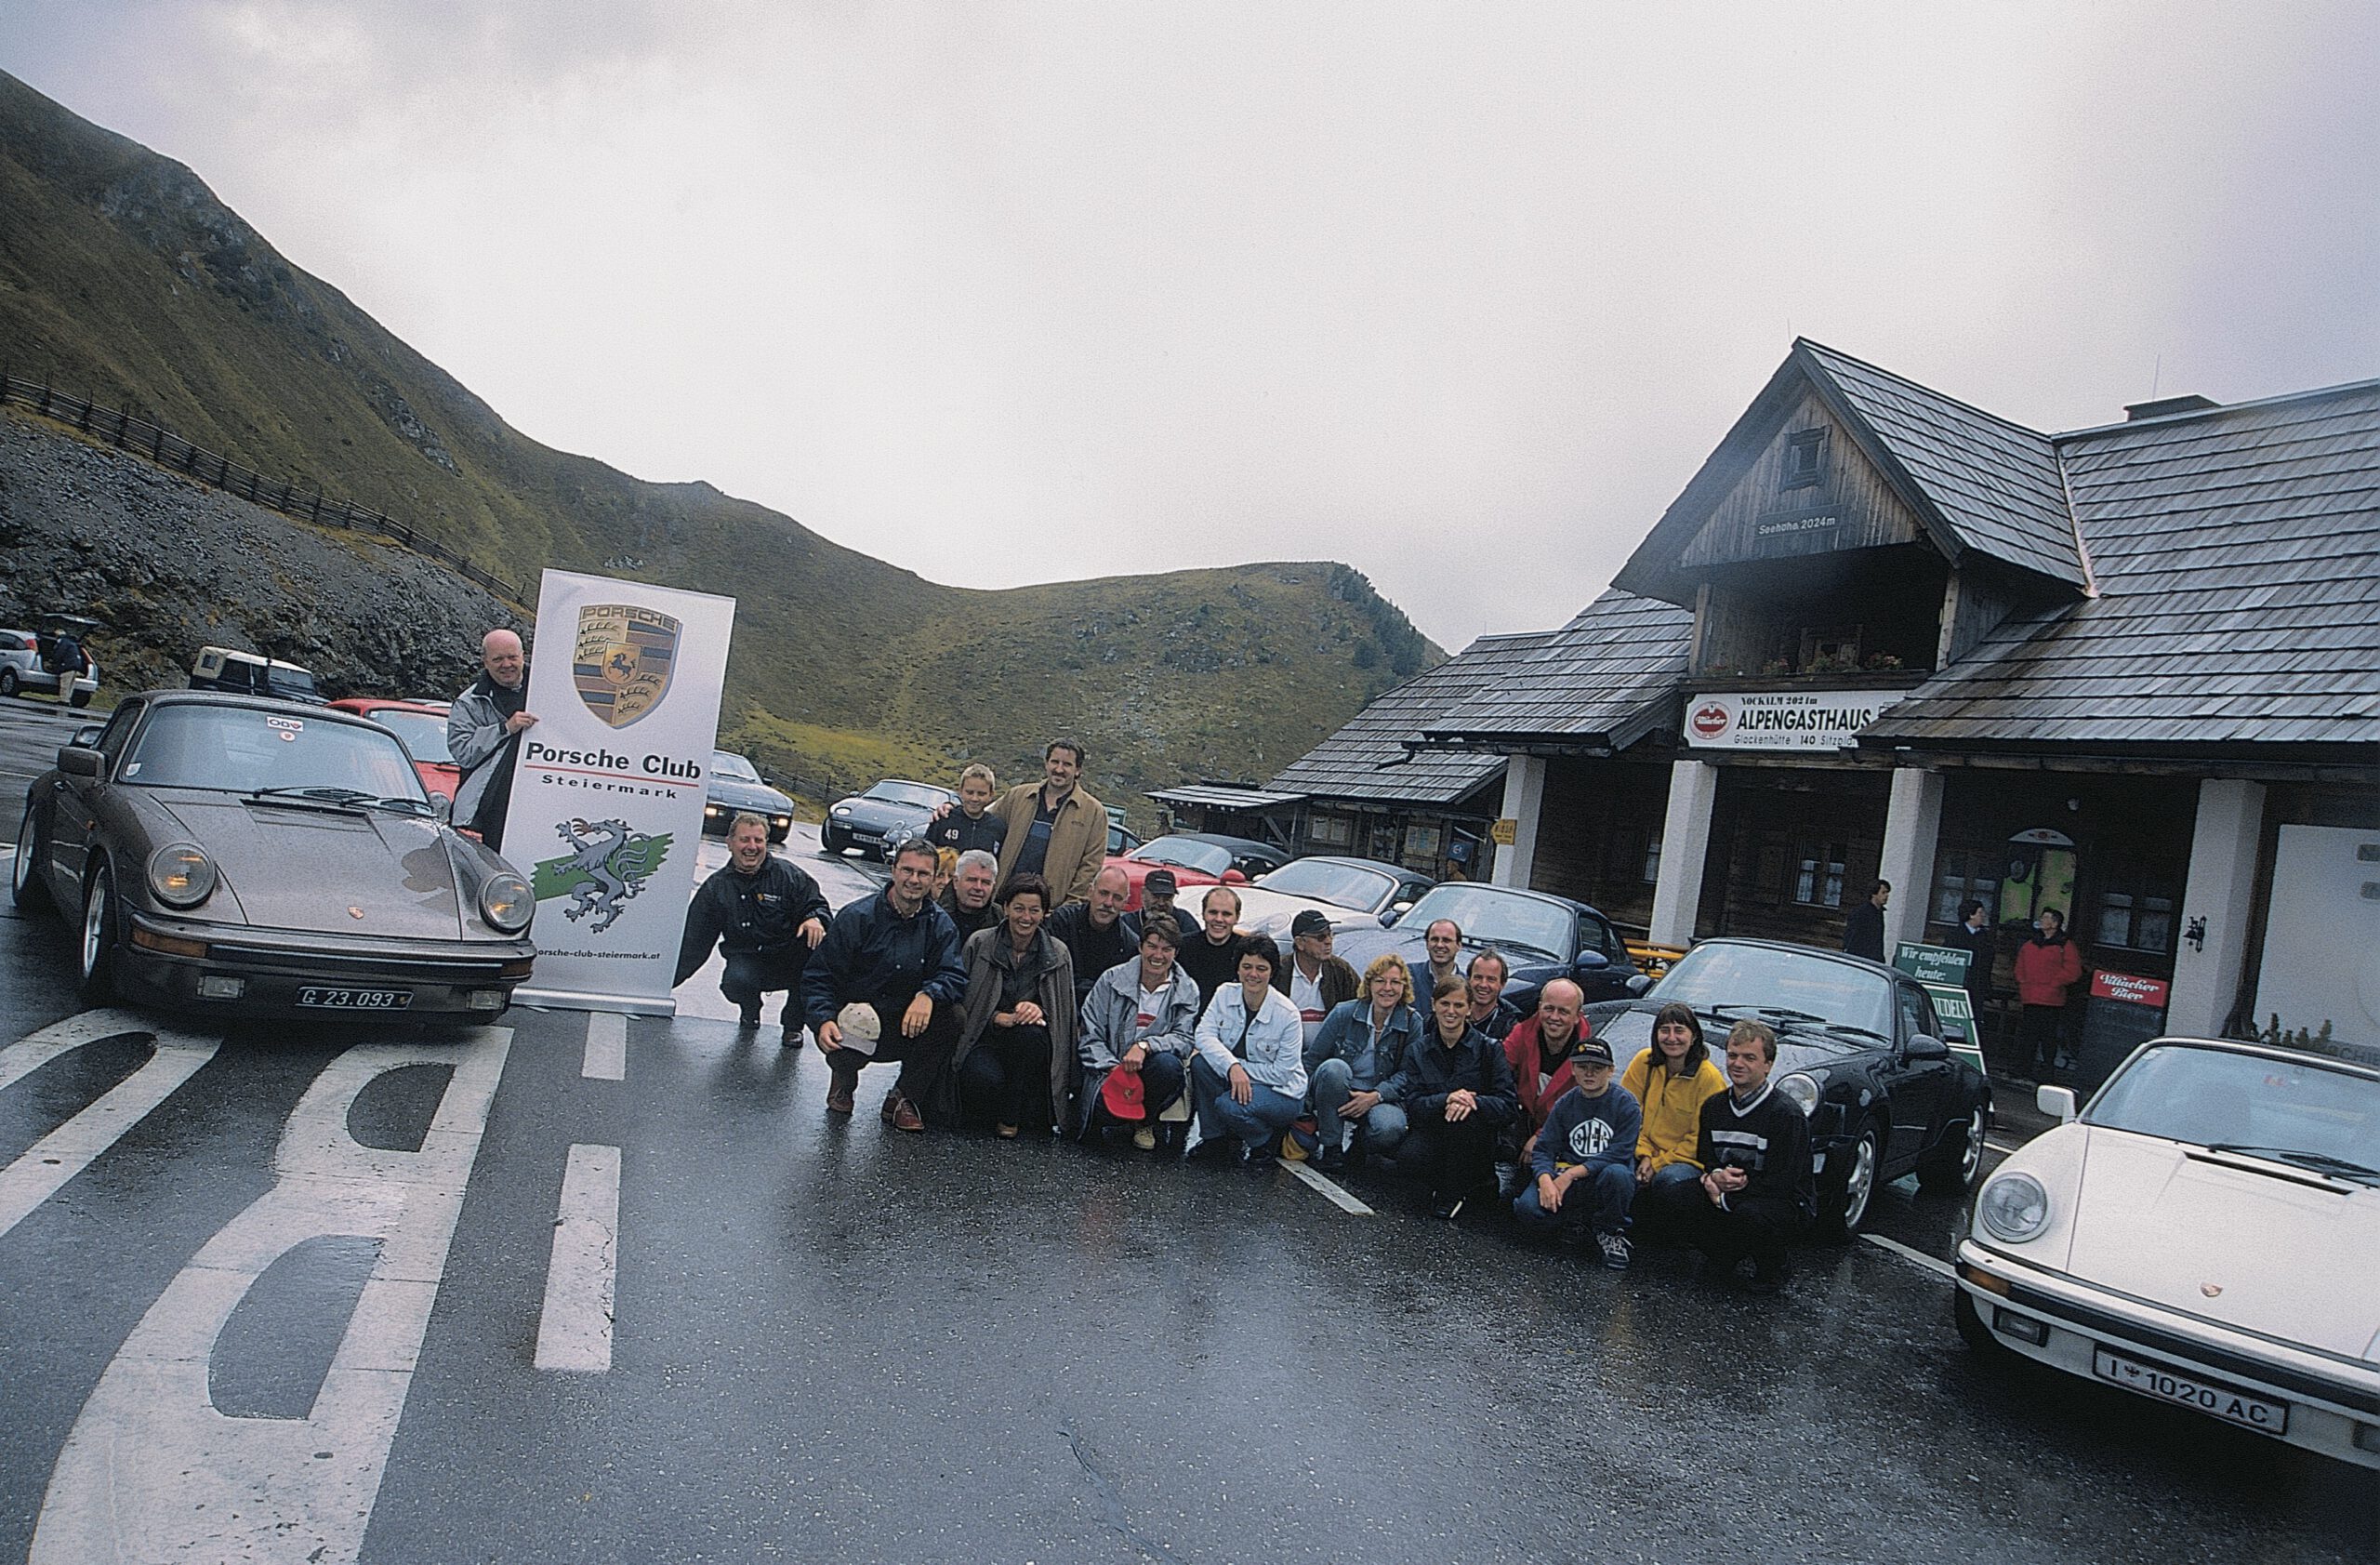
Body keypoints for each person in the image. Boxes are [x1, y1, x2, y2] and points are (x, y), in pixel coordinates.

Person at [802, 838, 968, 1133]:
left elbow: (953, 975)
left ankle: (904, 1097)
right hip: (856, 1022)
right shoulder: (856, 917)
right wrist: (822, 1019)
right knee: (844, 1028)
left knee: (953, 1016)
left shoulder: (941, 925)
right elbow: (820, 976)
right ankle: (845, 1078)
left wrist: (929, 995)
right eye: (907, 870)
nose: (913, 880)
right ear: (893, 870)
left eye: (923, 874)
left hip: (906, 1023)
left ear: (934, 879)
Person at [673, 812, 830, 1044]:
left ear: (766, 843)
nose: (752, 847)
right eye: (745, 839)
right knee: (736, 982)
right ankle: (750, 1009)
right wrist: (664, 985)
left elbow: (818, 905)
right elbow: (693, 943)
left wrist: (814, 918)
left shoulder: (790, 876)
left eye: (759, 840)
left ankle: (793, 1026)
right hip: (747, 958)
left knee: (814, 953)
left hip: (790, 957)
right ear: (730, 843)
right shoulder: (716, 888)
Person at [1686, 1020, 1814, 1293]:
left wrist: (1726, 1195)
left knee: (1751, 1215)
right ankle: (1722, 1255)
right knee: (1677, 1195)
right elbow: (1707, 1157)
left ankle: (1773, 1266)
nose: (1738, 1063)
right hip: (1728, 1188)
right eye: (1733, 1055)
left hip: (1781, 1200)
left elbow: (1783, 1181)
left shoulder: (1786, 1115)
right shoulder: (1713, 1107)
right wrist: (1713, 1176)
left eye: (1749, 1058)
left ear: (1768, 1064)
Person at [952, 874, 1077, 1138]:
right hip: (985, 1038)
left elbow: (1063, 1016)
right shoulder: (980, 943)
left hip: (1029, 1044)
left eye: (1034, 910)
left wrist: (1039, 1011)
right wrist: (997, 1017)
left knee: (1030, 1037)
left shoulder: (1059, 953)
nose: (1026, 917)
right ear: (1006, 907)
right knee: (985, 1080)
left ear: (1045, 913)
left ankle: (1011, 1116)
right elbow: (962, 1004)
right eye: (1019, 908)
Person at [1382, 983, 1517, 1219]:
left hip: (1474, 1137)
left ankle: (1454, 1191)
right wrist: (1447, 1099)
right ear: (1434, 1005)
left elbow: (1507, 1105)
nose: (1451, 1011)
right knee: (1409, 1159)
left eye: (1458, 1005)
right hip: (1433, 1130)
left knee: (1462, 1119)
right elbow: (1413, 1104)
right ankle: (1444, 1181)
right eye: (1444, 1004)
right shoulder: (1418, 1050)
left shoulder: (1489, 1049)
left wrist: (1472, 1103)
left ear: (1469, 1009)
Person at [1511, 1038, 1643, 1268]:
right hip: (1566, 1178)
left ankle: (1610, 1231)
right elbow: (1544, 1149)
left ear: (1611, 1071)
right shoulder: (1565, 1104)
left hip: (1601, 1177)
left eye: (1598, 1068)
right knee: (1527, 1210)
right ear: (1573, 1069)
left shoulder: (1626, 1104)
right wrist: (1545, 1180)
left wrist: (1571, 1175)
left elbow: (1619, 1153)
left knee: (1619, 1175)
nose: (1589, 1073)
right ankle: (1573, 1220)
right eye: (1583, 1066)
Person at [1077, 916, 1201, 1150]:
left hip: (1151, 1069)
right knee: (1104, 1114)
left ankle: (1145, 1120)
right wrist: (1115, 1070)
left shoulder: (1187, 989)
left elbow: (1184, 1040)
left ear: (1176, 952)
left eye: (1166, 949)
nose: (1158, 956)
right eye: (1152, 946)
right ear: (1140, 946)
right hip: (1108, 1069)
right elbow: (1089, 1034)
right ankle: (1119, 1117)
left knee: (1169, 1066)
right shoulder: (1111, 979)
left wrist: (1145, 1046)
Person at [1187, 936, 1307, 1168]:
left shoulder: (1288, 1013)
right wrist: (1232, 1067)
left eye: (1261, 968)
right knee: (1201, 1063)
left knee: (1227, 1105)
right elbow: (1203, 1035)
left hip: (1281, 1093)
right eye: (1247, 967)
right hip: (1240, 1080)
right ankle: (1215, 1139)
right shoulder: (1224, 993)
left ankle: (1263, 1141)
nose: (1253, 974)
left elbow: (1282, 1073)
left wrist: (1241, 1071)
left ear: (1272, 972)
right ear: (1238, 969)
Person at [1303, 953, 1421, 1172]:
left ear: (1404, 987)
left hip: (1379, 1093)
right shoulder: (1343, 1013)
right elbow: (1312, 1060)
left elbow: (1409, 1074)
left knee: (1390, 1128)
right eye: (1380, 981)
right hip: (1341, 1087)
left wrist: (1375, 1096)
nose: (1387, 988)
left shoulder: (1412, 1022)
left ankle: (1361, 1144)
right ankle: (1331, 1146)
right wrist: (1300, 1105)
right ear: (1369, 984)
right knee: (1334, 1069)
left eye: (1395, 982)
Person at [1620, 1002, 1727, 1237]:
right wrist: (1645, 1154)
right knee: (1616, 1168)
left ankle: (1674, 1235)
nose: (1671, 1038)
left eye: (1679, 1030)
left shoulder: (1708, 1078)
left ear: (1694, 1036)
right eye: (1664, 1030)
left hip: (1684, 1161)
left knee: (1669, 1181)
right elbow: (1627, 1114)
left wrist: (1658, 1164)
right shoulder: (1643, 1063)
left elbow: (1699, 1139)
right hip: (1642, 1150)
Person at [985, 740, 1108, 907]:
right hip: (1002, 903)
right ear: (1046, 763)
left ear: (1078, 770)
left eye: (1067, 764)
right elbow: (983, 823)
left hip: (1050, 912)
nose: (1059, 769)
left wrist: (1067, 908)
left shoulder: (1094, 813)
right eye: (1055, 762)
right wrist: (951, 810)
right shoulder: (1017, 796)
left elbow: (1091, 866)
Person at [448, 628, 536, 851]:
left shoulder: (549, 690)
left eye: (512, 657)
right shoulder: (468, 703)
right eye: (498, 659)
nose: (506, 664)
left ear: (523, 656)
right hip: (487, 815)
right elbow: (463, 753)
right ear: (485, 662)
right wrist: (505, 728)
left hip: (536, 805)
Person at [1501, 978, 1591, 1161]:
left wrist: (1541, 1137)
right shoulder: (1521, 1033)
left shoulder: (1589, 1056)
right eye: (1549, 1008)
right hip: (1521, 1122)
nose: (1554, 1017)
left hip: (1564, 1136)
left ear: (1577, 1016)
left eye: (1563, 1012)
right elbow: (1497, 1072)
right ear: (1539, 1006)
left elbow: (1581, 1110)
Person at [1049, 864, 1141, 1010]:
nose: (1108, 903)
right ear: (1090, 891)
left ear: (1125, 903)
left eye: (1117, 897)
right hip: (1057, 1005)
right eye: (1103, 893)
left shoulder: (1130, 945)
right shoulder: (1063, 921)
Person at [2013, 907, 2086, 1082]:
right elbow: (2020, 965)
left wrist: (2054, 984)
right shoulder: (2030, 943)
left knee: (2047, 1038)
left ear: (2055, 923)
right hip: (2031, 996)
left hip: (2051, 999)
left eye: (2046, 918)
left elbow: (2073, 970)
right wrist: (2023, 982)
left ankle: (2047, 1071)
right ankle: (2023, 1069)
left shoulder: (2065, 945)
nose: (2042, 920)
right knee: (2028, 1036)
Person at [1275, 909, 1359, 1051]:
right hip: (1282, 1054)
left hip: (1328, 1056)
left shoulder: (1341, 971)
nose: (1328, 941)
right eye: (1320, 937)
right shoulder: (1277, 971)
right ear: (1300, 942)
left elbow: (1361, 1006)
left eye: (1330, 934)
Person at [1174, 885, 1247, 1014]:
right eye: (1213, 912)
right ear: (1203, 914)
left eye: (1226, 914)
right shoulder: (1182, 946)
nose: (1219, 919)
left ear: (1237, 918)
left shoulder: (1247, 951)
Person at [926, 763, 1010, 860]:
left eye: (981, 794)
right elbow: (926, 855)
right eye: (969, 792)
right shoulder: (943, 818)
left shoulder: (998, 828)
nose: (974, 798)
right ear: (960, 791)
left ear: (991, 795)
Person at [1950, 897, 1998, 1054]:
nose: (1982, 916)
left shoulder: (1984, 936)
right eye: (1979, 913)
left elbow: (1987, 962)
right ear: (1970, 915)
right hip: (1960, 986)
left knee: (1976, 1021)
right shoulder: (1956, 935)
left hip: (1978, 986)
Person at [941, 849, 1003, 944]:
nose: (978, 887)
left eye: (985, 882)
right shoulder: (934, 916)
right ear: (956, 881)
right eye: (972, 880)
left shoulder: (1000, 921)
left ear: (993, 886)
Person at [1462, 949, 1522, 1041]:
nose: (1483, 985)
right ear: (1468, 979)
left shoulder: (1511, 1028)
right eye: (1478, 977)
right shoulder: (1453, 1012)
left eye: (1491, 979)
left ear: (1502, 984)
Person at [1413, 918, 1465, 1009]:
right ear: (1427, 944)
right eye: (1434, 939)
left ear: (1459, 946)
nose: (1440, 945)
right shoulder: (1409, 977)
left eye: (1446, 940)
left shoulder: (1467, 985)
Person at [1844, 879, 1889, 962]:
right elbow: (1851, 935)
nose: (1886, 896)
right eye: (1883, 893)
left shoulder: (1879, 913)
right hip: (1861, 957)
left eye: (1887, 893)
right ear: (1874, 894)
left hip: (1874, 958)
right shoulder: (1861, 912)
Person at [1139, 869, 1183, 941]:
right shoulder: (1128, 923)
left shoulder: (1184, 921)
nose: (1161, 903)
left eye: (1167, 897)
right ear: (1143, 893)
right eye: (1156, 896)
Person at [46, 629, 87, 702]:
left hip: (68, 666)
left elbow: (59, 654)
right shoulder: (71, 642)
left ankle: (63, 700)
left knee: (65, 684)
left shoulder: (63, 642)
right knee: (70, 685)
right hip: (76, 666)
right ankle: (67, 699)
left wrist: (53, 662)